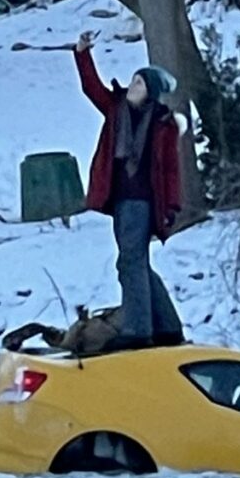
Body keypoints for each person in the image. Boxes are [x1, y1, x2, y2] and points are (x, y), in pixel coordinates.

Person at [74, 31, 186, 351]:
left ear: (149, 92)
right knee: (136, 262)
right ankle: (167, 326)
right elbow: (90, 87)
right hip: (120, 200)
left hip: (144, 201)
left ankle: (139, 328)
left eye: (139, 83)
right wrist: (82, 53)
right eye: (133, 80)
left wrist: (171, 207)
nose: (132, 86)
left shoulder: (162, 124)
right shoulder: (115, 109)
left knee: (130, 263)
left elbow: (170, 169)